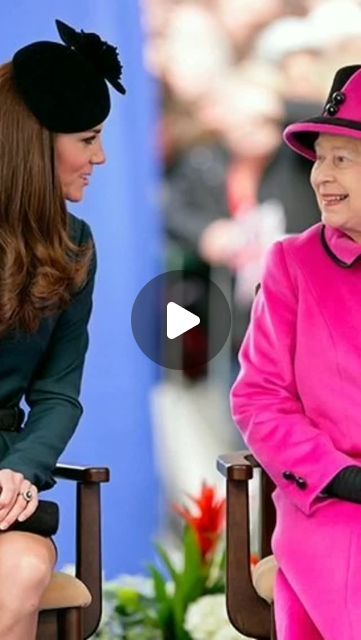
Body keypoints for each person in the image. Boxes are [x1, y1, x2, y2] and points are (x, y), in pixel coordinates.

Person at [0, 19, 125, 639]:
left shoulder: (76, 245)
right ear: (35, 143)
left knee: (23, 569)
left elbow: (56, 393)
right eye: (89, 138)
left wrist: (22, 470)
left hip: (3, 479)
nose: (99, 157)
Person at [231, 64, 361, 639]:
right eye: (319, 158)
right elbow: (258, 400)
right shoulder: (293, 264)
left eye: (343, 159)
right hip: (333, 504)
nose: (320, 177)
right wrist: (338, 476)